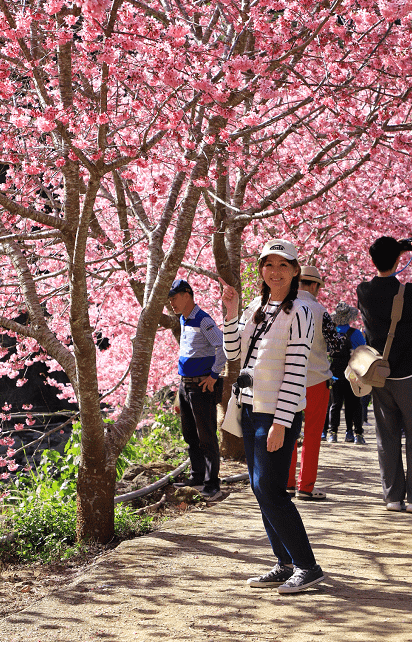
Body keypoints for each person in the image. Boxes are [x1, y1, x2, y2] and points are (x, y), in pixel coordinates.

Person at [221, 239, 325, 594]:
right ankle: (283, 563)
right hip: (250, 407)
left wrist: (281, 422)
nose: (275, 272)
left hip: (275, 413)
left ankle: (307, 565)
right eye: (269, 265)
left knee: (270, 488)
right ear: (261, 270)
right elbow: (234, 352)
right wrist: (232, 313)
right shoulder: (258, 306)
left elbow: (297, 369)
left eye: (283, 265)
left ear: (295, 271)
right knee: (259, 488)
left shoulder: (301, 312)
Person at [357, 236, 412, 515]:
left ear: (372, 260)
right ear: (398, 259)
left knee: (387, 435)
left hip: (379, 374)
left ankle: (393, 497)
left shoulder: (363, 291)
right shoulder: (410, 292)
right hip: (410, 374)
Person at [288, 265, 343, 501]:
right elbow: (336, 346)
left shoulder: (284, 307)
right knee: (312, 435)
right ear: (314, 285)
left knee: (288, 432)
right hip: (316, 379)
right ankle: (306, 486)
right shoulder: (320, 311)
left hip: (288, 380)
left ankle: (287, 482)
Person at [169, 278, 226, 501]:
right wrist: (178, 392)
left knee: (207, 436)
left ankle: (213, 483)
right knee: (190, 434)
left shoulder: (203, 320)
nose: (171, 302)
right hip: (185, 385)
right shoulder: (184, 319)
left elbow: (221, 346)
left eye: (174, 297)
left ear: (187, 295)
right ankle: (197, 476)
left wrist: (214, 375)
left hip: (202, 386)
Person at [326, 303, 366, 444]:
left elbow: (326, 352)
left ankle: (333, 433)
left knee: (335, 404)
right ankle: (357, 434)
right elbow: (364, 351)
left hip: (335, 372)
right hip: (352, 373)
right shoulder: (355, 333)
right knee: (354, 403)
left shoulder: (331, 333)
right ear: (350, 318)